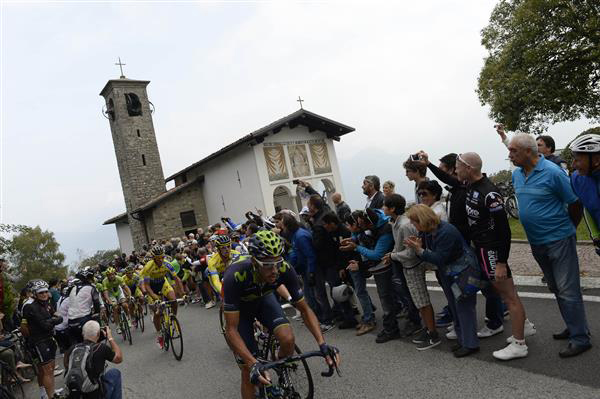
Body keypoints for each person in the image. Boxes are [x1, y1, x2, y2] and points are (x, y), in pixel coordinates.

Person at [222, 230, 340, 399]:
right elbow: (231, 329)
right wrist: (251, 362)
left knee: (288, 339)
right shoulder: (235, 275)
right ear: (254, 261)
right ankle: (256, 367)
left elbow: (305, 310)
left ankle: (279, 364)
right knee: (248, 374)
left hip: (264, 300)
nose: (275, 270)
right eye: (268, 265)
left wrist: (323, 344)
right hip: (242, 310)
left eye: (277, 262)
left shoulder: (284, 268)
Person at [508, 133, 591, 358]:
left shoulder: (553, 173)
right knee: (556, 288)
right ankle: (576, 326)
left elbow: (575, 203)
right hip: (537, 242)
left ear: (528, 151)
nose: (509, 155)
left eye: (514, 151)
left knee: (567, 290)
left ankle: (581, 339)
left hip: (559, 240)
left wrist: (569, 229)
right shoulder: (517, 174)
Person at [456, 152, 535, 360]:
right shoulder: (470, 185)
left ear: (469, 168)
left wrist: (500, 262)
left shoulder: (489, 193)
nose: (455, 170)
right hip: (482, 248)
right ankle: (524, 327)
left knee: (508, 295)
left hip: (492, 250)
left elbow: (505, 230)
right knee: (505, 293)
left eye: (458, 166)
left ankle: (519, 344)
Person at [405, 205, 479, 358]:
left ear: (422, 219)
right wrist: (419, 248)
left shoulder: (446, 231)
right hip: (450, 273)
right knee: (455, 306)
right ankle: (463, 340)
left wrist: (419, 250)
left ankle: (471, 344)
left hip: (462, 273)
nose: (413, 225)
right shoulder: (428, 231)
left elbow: (439, 258)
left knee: (464, 307)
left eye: (414, 221)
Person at [383, 194, 437, 349]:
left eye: (385, 205)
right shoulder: (395, 222)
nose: (383, 208)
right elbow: (399, 245)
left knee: (422, 301)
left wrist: (393, 255)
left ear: (392, 208)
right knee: (419, 301)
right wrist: (392, 254)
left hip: (413, 266)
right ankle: (428, 328)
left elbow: (410, 252)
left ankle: (432, 333)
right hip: (407, 266)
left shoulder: (405, 225)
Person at [341, 208, 396, 341]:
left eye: (359, 224)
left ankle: (390, 328)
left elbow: (376, 254)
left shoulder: (381, 230)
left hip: (384, 266)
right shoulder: (370, 227)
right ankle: (390, 325)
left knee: (386, 297)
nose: (359, 227)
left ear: (368, 224)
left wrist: (356, 249)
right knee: (386, 296)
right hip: (379, 266)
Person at [22, 280, 63, 399]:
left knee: (49, 370)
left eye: (46, 292)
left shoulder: (46, 303)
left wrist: (53, 320)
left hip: (49, 338)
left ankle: (50, 392)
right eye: (41, 293)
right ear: (35, 293)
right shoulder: (30, 306)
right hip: (39, 342)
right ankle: (50, 396)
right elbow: (45, 324)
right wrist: (54, 320)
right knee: (47, 371)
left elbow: (57, 316)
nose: (45, 294)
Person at [64, 320, 123, 399]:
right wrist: (110, 337)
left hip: (75, 394)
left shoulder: (72, 349)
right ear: (98, 334)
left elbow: (66, 366)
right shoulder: (101, 348)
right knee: (115, 373)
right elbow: (119, 358)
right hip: (95, 395)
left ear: (82, 334)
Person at [139, 245, 181, 349]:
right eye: (158, 258)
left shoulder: (167, 263)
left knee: (174, 300)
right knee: (158, 312)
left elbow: (177, 279)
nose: (161, 260)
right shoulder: (148, 267)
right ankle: (159, 334)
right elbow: (147, 285)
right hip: (151, 287)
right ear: (154, 258)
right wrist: (154, 297)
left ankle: (173, 318)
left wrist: (183, 293)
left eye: (162, 257)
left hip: (163, 283)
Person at [569, 133, 600, 254]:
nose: (573, 165)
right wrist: (596, 235)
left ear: (597, 160)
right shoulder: (577, 179)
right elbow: (586, 207)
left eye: (577, 160)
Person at [68, 268, 103, 345]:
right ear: (88, 279)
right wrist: (97, 313)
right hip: (83, 320)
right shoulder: (92, 288)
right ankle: (98, 345)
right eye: (91, 278)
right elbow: (97, 302)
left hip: (70, 322)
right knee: (97, 337)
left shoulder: (72, 288)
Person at [206, 235, 241, 309]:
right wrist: (225, 293)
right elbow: (216, 281)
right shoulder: (212, 262)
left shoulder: (236, 254)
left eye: (228, 246)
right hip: (218, 275)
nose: (227, 249)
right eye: (223, 248)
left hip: (229, 272)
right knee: (225, 298)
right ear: (218, 250)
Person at [101, 268, 132, 332]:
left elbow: (126, 288)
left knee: (124, 305)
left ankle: (128, 319)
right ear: (107, 276)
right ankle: (117, 326)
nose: (111, 276)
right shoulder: (104, 281)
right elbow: (106, 294)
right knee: (115, 308)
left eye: (112, 274)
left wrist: (129, 296)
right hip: (111, 294)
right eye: (109, 275)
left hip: (119, 292)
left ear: (114, 274)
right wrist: (110, 302)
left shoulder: (119, 278)